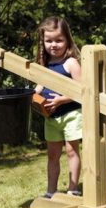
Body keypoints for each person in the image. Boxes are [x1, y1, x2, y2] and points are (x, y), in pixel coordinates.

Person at [35, 16, 82, 198]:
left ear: (67, 41)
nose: (53, 45)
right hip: (51, 117)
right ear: (43, 42)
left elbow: (82, 91)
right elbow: (39, 87)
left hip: (71, 114)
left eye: (58, 40)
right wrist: (32, 97)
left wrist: (61, 100)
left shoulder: (71, 63)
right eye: (49, 40)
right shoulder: (45, 65)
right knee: (52, 156)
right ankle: (51, 191)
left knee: (71, 151)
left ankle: (73, 188)